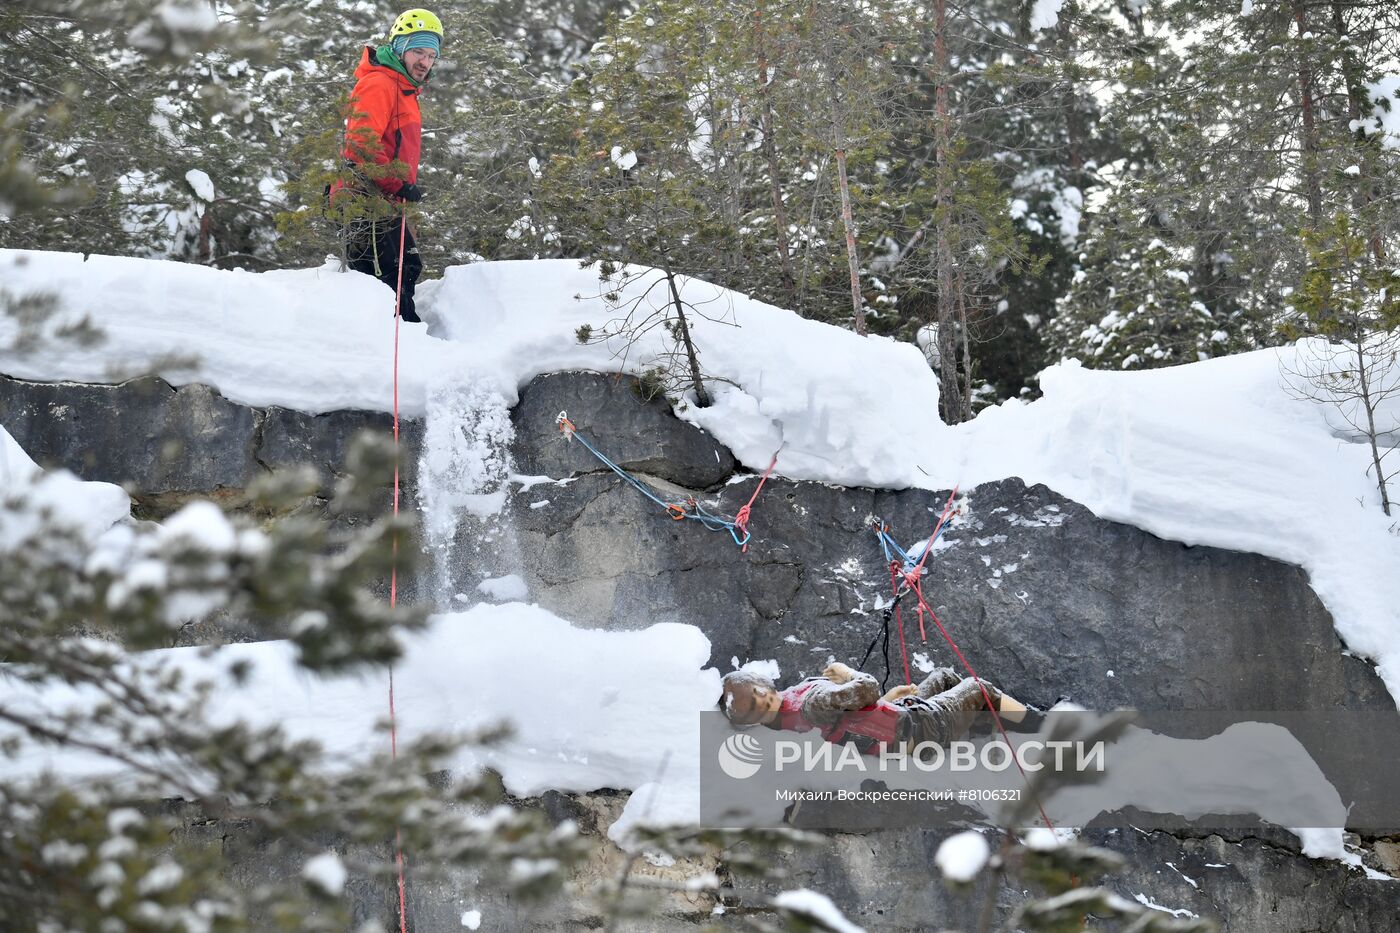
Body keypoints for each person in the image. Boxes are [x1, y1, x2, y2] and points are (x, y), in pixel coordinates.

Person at [334, 9, 443, 324]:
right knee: (387, 282)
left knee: (405, 271)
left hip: (386, 201)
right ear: (399, 48)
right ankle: (394, 356)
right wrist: (398, 184)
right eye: (417, 51)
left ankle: (408, 347)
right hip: (366, 201)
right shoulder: (381, 84)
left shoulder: (405, 89)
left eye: (431, 55)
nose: (424, 61)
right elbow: (360, 145)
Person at [720, 661, 1041, 755]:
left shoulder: (787, 721)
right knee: (978, 688)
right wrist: (846, 672)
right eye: (760, 704)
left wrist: (886, 702)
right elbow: (865, 688)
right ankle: (1039, 725)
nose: (766, 697)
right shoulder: (811, 703)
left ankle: (986, 725)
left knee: (943, 678)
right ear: (756, 718)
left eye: (760, 691)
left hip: (897, 726)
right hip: (920, 730)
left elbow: (850, 724)